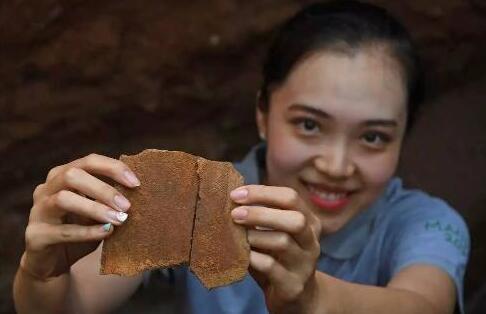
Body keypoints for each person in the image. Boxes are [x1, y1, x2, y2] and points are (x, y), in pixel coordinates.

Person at [13, 1, 469, 313]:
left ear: (404, 137)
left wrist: (310, 299)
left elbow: (423, 305)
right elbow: (71, 301)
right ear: (262, 115)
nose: (335, 164)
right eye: (309, 125)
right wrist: (43, 273)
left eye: (373, 137)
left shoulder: (424, 224)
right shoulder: (195, 203)